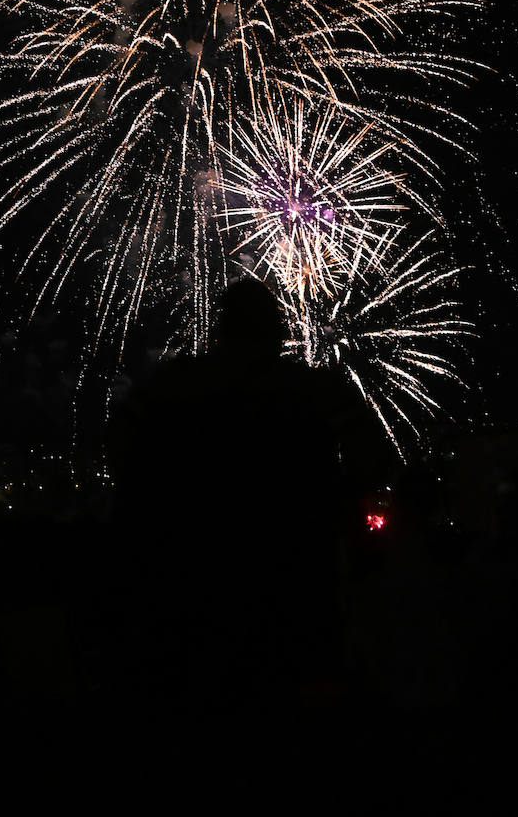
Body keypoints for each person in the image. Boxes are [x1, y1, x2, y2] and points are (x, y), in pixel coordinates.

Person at [107, 277, 383, 709]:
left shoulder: (179, 384)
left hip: (196, 571)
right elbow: (371, 458)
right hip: (296, 572)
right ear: (276, 329)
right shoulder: (314, 389)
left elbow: (122, 443)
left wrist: (155, 506)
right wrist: (334, 506)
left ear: (222, 327)